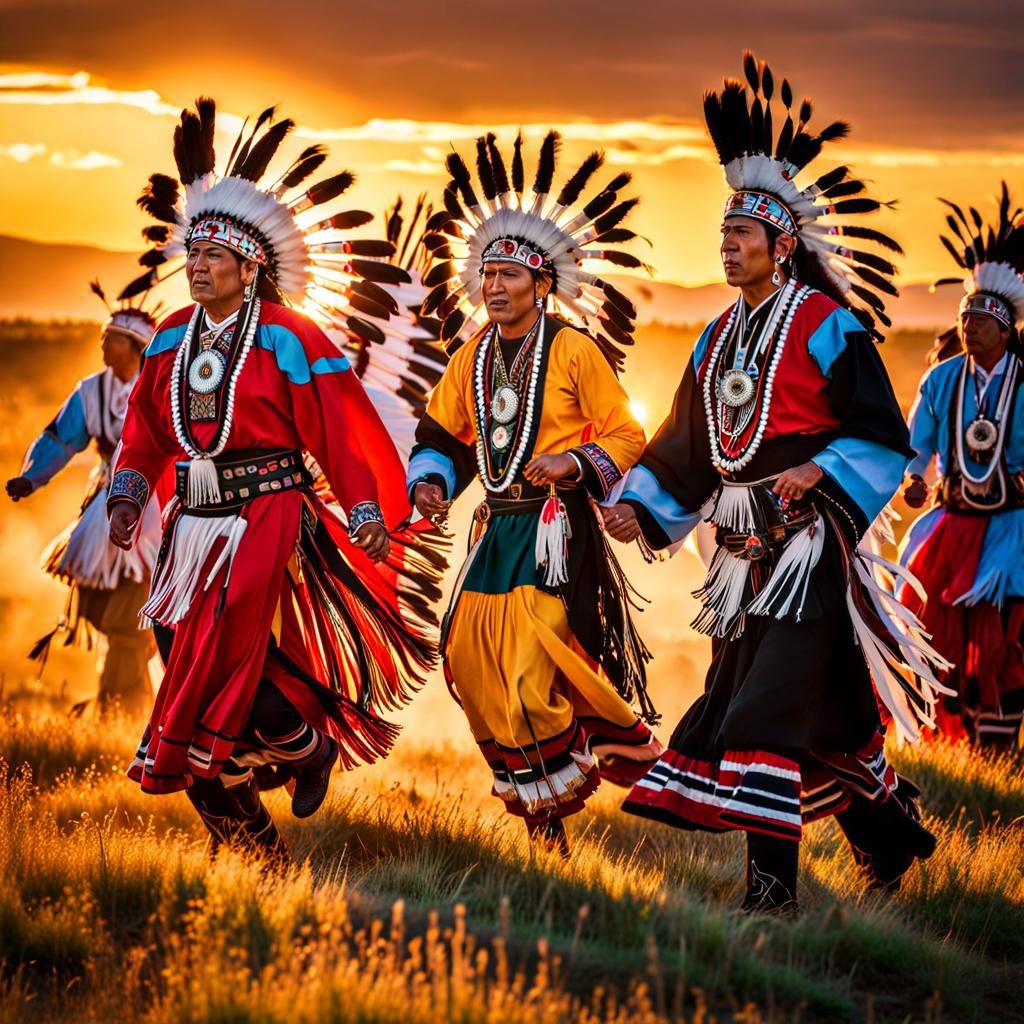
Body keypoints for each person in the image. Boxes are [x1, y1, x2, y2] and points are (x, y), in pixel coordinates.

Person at [602, 53, 948, 912]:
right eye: (720, 237)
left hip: (806, 551)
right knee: (820, 716)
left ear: (781, 244)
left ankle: (770, 897)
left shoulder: (831, 326)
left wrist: (815, 468)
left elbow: (882, 433)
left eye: (740, 237)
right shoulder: (716, 336)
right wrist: (639, 504)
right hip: (735, 555)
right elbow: (684, 440)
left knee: (759, 719)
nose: (726, 248)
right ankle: (889, 836)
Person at [108, 98, 440, 861]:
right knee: (178, 652)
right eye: (190, 258)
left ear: (251, 267)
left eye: (212, 259)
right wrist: (128, 493)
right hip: (192, 526)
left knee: (230, 639)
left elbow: (341, 426)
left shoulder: (290, 336)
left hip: (269, 513)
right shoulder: (165, 340)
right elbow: (145, 434)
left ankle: (304, 745)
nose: (196, 269)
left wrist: (363, 506)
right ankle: (254, 839)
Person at [407, 132, 663, 856]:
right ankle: (542, 813)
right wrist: (431, 482)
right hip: (498, 528)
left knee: (526, 667)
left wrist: (575, 463)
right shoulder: (470, 357)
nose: (494, 287)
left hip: (556, 532)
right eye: (486, 274)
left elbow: (625, 432)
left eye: (509, 276)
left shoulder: (576, 349)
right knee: (468, 661)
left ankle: (599, 772)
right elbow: (445, 438)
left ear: (541, 284)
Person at [898, 184, 1024, 748]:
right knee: (939, 630)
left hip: (1013, 529)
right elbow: (917, 445)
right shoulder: (942, 379)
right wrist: (915, 479)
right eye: (964, 317)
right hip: (953, 527)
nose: (968, 328)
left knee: (1006, 636)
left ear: (1005, 328)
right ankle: (956, 743)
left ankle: (998, 749)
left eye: (980, 320)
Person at [7, 283, 161, 713]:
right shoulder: (91, 391)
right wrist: (31, 477)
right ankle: (125, 703)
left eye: (110, 339)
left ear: (132, 347)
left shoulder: (159, 386)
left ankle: (121, 710)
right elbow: (61, 436)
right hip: (105, 508)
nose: (102, 344)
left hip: (154, 509)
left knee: (126, 619)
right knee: (98, 610)